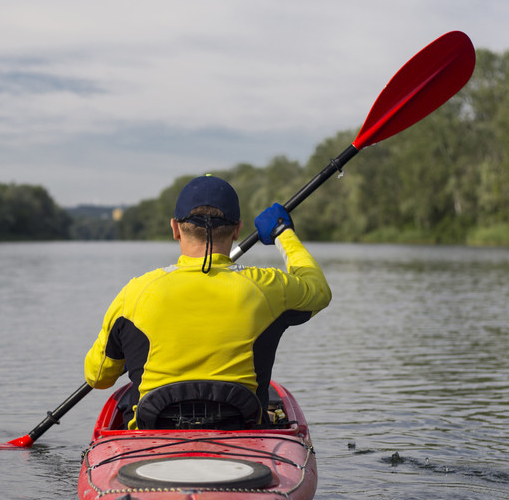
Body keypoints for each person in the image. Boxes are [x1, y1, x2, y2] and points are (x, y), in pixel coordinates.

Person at [84, 174, 331, 428]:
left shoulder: (136, 293)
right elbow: (319, 290)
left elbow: (98, 377)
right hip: (244, 431)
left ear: (175, 229)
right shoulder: (266, 288)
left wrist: (126, 353)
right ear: (237, 230)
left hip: (152, 435)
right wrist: (283, 233)